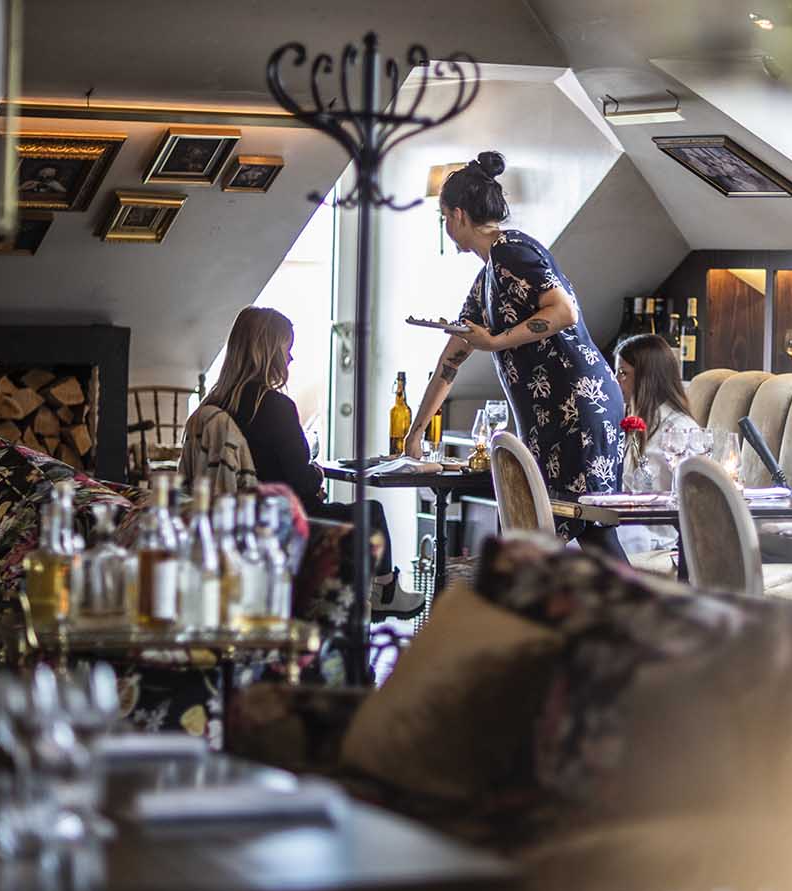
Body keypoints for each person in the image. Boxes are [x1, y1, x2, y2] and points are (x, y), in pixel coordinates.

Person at [404, 151, 628, 559]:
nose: (446, 226)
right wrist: (416, 431)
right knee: (538, 530)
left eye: (443, 217)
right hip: (550, 413)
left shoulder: (512, 249)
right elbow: (451, 361)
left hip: (578, 404)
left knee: (587, 526)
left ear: (457, 216)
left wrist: (494, 341)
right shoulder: (488, 275)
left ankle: (632, 601)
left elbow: (563, 312)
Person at [202, 306, 423, 617]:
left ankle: (374, 593)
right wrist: (316, 475)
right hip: (284, 519)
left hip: (238, 517)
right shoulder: (276, 406)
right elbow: (300, 481)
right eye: (287, 350)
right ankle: (385, 592)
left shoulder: (214, 405)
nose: (290, 358)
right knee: (371, 512)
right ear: (268, 353)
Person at [614, 333, 700, 554]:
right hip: (630, 528)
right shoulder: (633, 424)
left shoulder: (681, 430)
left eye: (623, 373)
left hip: (661, 538)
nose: (616, 380)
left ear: (647, 377)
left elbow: (696, 499)